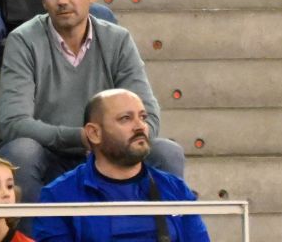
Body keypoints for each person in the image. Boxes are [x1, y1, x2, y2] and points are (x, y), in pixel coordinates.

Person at [0, 0, 180, 201]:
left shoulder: (118, 40)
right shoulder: (23, 41)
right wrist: (81, 137)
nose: (62, 1)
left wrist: (108, 142)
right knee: (21, 153)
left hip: (111, 151)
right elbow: (14, 124)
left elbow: (149, 118)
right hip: (50, 155)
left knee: (166, 153)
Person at [33, 88, 207, 242]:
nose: (140, 126)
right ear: (94, 133)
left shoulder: (176, 190)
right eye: (125, 119)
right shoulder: (59, 197)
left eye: (143, 117)